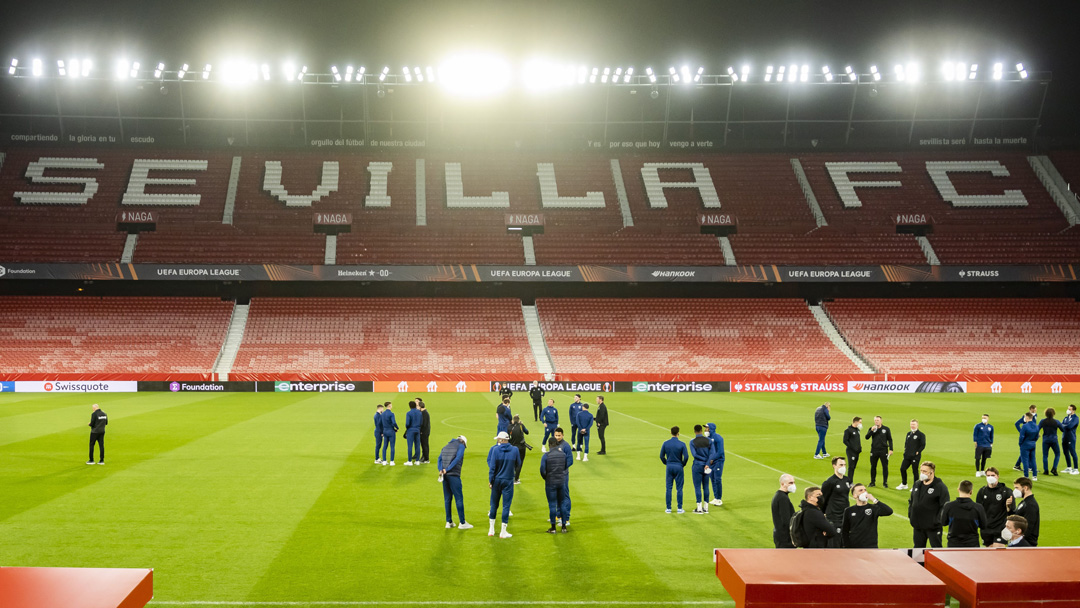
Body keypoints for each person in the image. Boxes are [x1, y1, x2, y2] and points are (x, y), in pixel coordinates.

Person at [487, 431, 521, 539]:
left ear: (501, 440)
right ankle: (503, 531)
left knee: (494, 505)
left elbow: (492, 468)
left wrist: (490, 481)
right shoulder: (515, 450)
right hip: (508, 480)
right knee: (506, 506)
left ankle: (491, 530)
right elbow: (518, 464)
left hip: (497, 480)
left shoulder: (495, 450)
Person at [908, 461, 949, 548]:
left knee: (936, 550)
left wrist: (937, 521)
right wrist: (911, 515)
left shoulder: (940, 487)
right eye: (921, 471)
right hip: (918, 526)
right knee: (917, 551)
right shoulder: (917, 484)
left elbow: (945, 506)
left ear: (932, 472)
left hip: (933, 527)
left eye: (925, 471)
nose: (922, 473)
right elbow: (911, 501)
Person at [841, 483, 893, 548]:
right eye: (860, 490)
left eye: (865, 490)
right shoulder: (849, 511)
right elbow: (845, 531)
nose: (864, 492)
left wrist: (874, 500)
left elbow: (889, 511)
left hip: (871, 546)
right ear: (854, 496)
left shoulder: (873, 508)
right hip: (854, 547)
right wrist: (846, 547)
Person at [438, 435, 473, 530]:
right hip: (453, 475)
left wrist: (441, 469)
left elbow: (439, 458)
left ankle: (448, 521)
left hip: (444, 476)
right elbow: (457, 458)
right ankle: (462, 522)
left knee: (447, 499)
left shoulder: (446, 446)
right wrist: (448, 469)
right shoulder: (461, 446)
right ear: (463, 442)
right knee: (459, 498)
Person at [941, 480, 987, 548]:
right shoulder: (978, 507)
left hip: (953, 544)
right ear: (971, 491)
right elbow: (983, 526)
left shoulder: (949, 506)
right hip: (972, 544)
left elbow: (943, 522)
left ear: (958, 490)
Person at [540, 437, 572, 533]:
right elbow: (565, 466)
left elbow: (542, 470)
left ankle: (553, 528)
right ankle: (563, 527)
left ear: (549, 444)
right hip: (561, 482)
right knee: (562, 503)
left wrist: (546, 477)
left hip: (551, 483)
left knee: (552, 504)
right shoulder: (563, 455)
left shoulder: (546, 456)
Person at [976, 467, 1011, 547]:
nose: (990, 477)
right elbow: (978, 510)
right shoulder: (982, 491)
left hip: (1001, 528)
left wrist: (1008, 507)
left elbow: (1012, 511)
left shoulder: (1006, 491)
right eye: (988, 475)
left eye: (993, 475)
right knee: (989, 554)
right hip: (986, 528)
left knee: (998, 552)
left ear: (998, 476)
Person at [820, 457, 851, 547]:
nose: (843, 467)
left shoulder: (846, 480)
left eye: (845, 465)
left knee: (844, 540)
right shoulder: (829, 482)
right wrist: (824, 513)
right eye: (841, 465)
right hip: (834, 516)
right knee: (835, 542)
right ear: (834, 466)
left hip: (845, 515)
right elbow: (823, 499)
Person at [660, 426, 688, 514]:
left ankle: (668, 508)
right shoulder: (682, 444)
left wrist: (666, 463)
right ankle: (679, 508)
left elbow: (661, 456)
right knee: (679, 488)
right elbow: (686, 457)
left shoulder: (665, 443)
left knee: (668, 488)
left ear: (670, 432)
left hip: (669, 466)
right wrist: (682, 464)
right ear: (678, 433)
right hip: (679, 467)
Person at [1006, 476, 1039, 546]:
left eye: (1017, 488)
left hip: (1025, 544)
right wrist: (1009, 508)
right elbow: (1015, 518)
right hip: (1019, 541)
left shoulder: (1031, 505)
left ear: (1026, 488)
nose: (1015, 490)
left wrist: (1020, 542)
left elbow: (1028, 527)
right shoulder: (1024, 502)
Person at [689, 425, 714, 514]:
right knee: (706, 486)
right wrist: (707, 464)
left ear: (695, 431)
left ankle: (699, 508)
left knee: (697, 487)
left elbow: (694, 454)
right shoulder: (709, 441)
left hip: (697, 466)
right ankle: (706, 508)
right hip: (706, 467)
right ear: (701, 430)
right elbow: (712, 454)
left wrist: (703, 461)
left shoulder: (692, 442)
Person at [896, 419, 926, 490]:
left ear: (917, 425)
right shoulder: (908, 434)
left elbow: (923, 445)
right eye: (911, 424)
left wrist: (918, 451)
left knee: (914, 471)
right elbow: (906, 444)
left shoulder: (921, 435)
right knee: (902, 469)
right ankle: (904, 484)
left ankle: (915, 486)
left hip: (915, 456)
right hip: (907, 456)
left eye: (914, 424)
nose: (912, 426)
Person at [552, 427, 574, 525]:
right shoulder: (553, 445)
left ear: (563, 435)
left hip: (563, 475)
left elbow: (570, 460)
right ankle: (558, 516)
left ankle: (567, 519)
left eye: (559, 435)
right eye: (556, 435)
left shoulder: (566, 446)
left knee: (564, 496)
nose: (557, 437)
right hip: (555, 475)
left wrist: (561, 468)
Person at [865, 415, 893, 488]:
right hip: (874, 450)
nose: (876, 421)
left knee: (885, 467)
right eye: (875, 420)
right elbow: (866, 437)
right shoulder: (872, 428)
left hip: (883, 450)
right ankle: (872, 482)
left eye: (878, 420)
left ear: (881, 421)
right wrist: (871, 430)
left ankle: (885, 482)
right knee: (873, 466)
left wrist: (891, 449)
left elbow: (890, 439)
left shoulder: (886, 429)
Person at [771, 474, 797, 548]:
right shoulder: (783, 498)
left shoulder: (780, 496)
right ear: (782, 484)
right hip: (785, 537)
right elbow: (786, 520)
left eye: (794, 482)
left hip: (781, 535)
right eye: (790, 483)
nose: (793, 485)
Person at [1013, 404, 1039, 471]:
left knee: (1025, 451)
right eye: (1034, 410)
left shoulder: (1035, 415)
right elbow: (1017, 423)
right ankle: (1030, 467)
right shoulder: (1026, 416)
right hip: (1027, 436)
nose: (1035, 411)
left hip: (1032, 435)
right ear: (1031, 409)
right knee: (1028, 451)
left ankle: (1017, 465)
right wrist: (1021, 431)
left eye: (1035, 410)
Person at [1039, 408, 1063, 476]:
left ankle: (1046, 470)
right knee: (1057, 454)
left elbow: (1037, 429)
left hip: (1045, 440)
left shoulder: (1042, 421)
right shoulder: (1057, 422)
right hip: (1054, 440)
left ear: (1045, 414)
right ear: (1053, 414)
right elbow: (1063, 429)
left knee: (1045, 455)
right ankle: (1054, 468)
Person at [706, 422, 725, 507]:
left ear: (710, 428)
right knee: (712, 478)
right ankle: (715, 497)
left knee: (717, 479)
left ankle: (719, 499)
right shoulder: (708, 438)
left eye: (706, 428)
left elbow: (720, 452)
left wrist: (712, 459)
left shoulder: (718, 437)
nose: (705, 429)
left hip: (718, 461)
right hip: (711, 462)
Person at [508, 415, 530, 483]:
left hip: (512, 447)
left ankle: (512, 476)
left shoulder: (509, 427)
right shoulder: (521, 426)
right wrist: (522, 424)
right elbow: (527, 432)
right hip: (521, 447)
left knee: (513, 462)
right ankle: (516, 479)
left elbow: (508, 437)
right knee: (519, 463)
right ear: (518, 420)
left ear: (513, 420)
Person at [1017, 412, 1039, 480]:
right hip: (1033, 444)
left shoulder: (1025, 426)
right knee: (1033, 460)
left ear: (1026, 417)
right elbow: (1037, 436)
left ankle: (1026, 476)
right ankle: (1034, 476)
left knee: (1025, 460)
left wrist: (1020, 443)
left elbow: (1022, 436)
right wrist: (1033, 441)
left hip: (1025, 444)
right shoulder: (1036, 426)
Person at [843, 417, 863, 481]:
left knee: (853, 467)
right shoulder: (848, 430)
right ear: (856, 422)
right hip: (851, 452)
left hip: (857, 452)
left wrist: (859, 448)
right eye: (860, 422)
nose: (861, 424)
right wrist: (852, 447)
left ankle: (850, 480)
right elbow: (845, 441)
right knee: (851, 467)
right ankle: (849, 482)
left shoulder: (857, 430)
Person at [404, 400, 422, 466]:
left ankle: (410, 461)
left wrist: (407, 427)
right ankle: (417, 460)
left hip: (411, 430)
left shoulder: (408, 413)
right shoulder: (419, 412)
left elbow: (407, 423)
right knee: (417, 445)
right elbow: (421, 422)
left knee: (410, 446)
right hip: (417, 429)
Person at [1063, 404, 1079, 475]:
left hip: (1071, 438)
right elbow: (1061, 425)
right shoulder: (1066, 418)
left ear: (1073, 410)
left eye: (1069, 409)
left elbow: (1070, 426)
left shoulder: (1076, 418)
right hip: (1064, 437)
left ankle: (1076, 469)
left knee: (1072, 453)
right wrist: (1065, 425)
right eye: (1068, 409)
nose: (1068, 410)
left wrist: (1064, 425)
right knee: (1066, 452)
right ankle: (1069, 467)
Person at [418, 399, 431, 464]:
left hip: (424, 432)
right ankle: (425, 458)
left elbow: (424, 424)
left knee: (424, 445)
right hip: (425, 431)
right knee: (424, 445)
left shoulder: (424, 413)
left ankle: (426, 459)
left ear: (420, 407)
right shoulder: (424, 412)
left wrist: (421, 431)